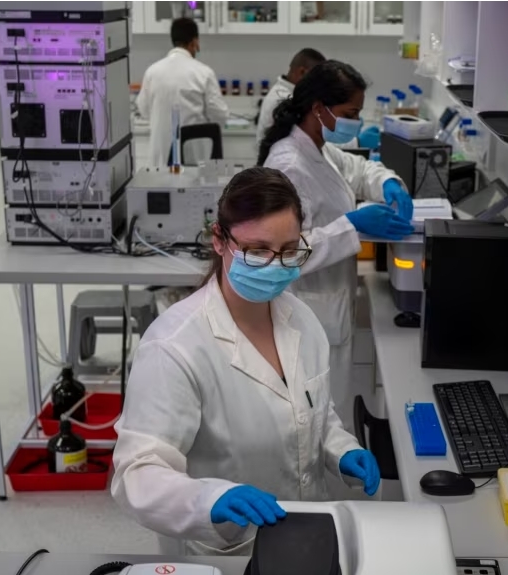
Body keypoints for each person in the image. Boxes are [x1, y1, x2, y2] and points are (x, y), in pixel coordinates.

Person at [111, 167, 381, 556]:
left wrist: (341, 450)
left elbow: (311, 412)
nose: (275, 265)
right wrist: (210, 499)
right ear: (219, 240)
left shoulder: (302, 319)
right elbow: (136, 473)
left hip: (308, 534)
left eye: (289, 251)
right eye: (257, 250)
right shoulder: (174, 347)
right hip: (229, 552)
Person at [258, 61, 414, 432]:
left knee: (328, 419)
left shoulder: (318, 146)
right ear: (318, 108)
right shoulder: (289, 165)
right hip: (306, 311)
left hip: (329, 305)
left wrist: (389, 183)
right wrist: (351, 227)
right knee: (313, 423)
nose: (355, 123)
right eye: (350, 114)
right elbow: (281, 256)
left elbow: (359, 171)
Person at [136, 17, 228, 167]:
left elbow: (144, 110)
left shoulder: (152, 72)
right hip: (193, 158)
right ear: (195, 42)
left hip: (160, 159)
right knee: (193, 189)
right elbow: (220, 115)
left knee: (161, 188)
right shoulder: (204, 73)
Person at [255, 48, 326, 151]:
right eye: (318, 79)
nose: (319, 85)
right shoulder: (282, 98)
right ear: (302, 72)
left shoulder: (290, 93)